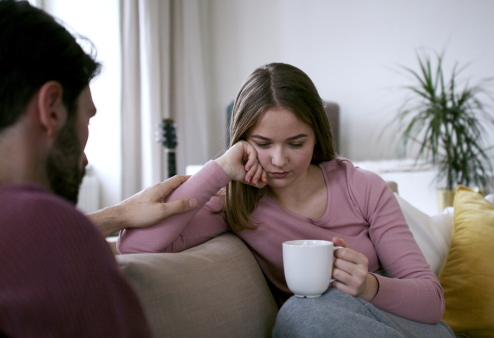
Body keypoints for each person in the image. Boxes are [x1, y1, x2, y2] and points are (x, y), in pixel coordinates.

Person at [119, 62, 456, 337]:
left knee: (302, 313)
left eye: (296, 143)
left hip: (399, 325)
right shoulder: (236, 204)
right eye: (263, 144)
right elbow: (135, 247)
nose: (279, 160)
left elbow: (432, 301)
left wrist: (368, 286)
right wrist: (220, 168)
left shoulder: (362, 187)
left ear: (316, 138)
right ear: (242, 141)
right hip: (319, 328)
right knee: (302, 313)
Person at [0, 1, 196, 335]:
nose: (85, 159)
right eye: (86, 119)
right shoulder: (55, 233)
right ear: (52, 109)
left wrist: (115, 216)